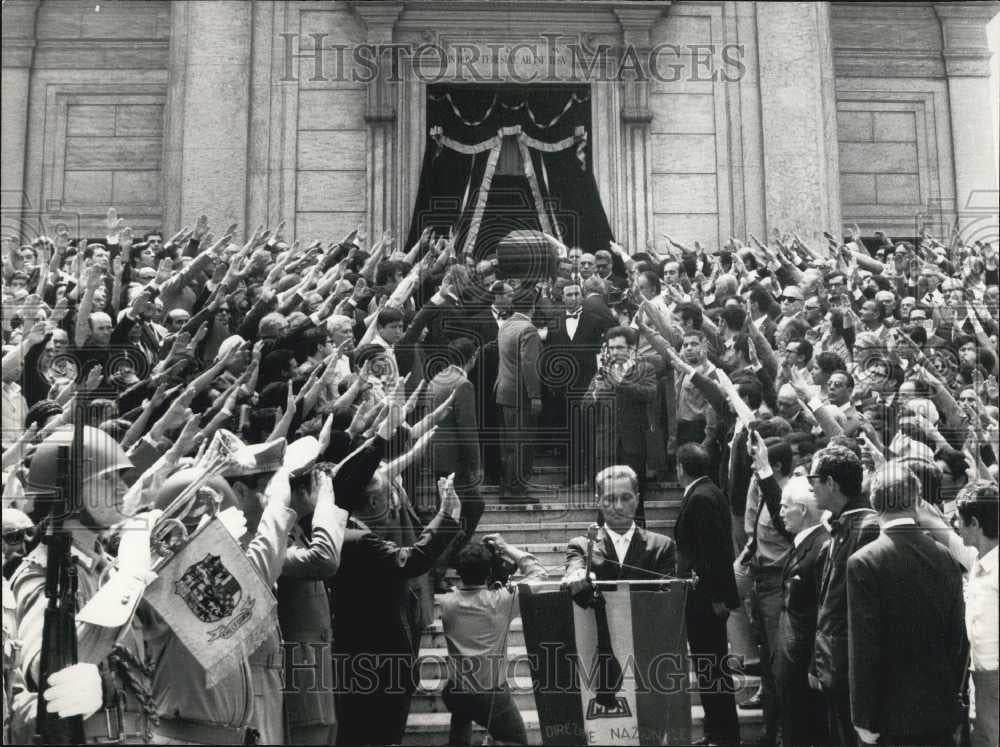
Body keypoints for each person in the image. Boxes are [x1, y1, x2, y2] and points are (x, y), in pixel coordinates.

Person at [332, 472, 462, 746]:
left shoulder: (341, 533)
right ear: (373, 504)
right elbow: (412, 560)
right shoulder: (359, 541)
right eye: (387, 496)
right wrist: (447, 516)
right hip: (378, 664)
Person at [847, 462, 966, 746]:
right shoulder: (945, 556)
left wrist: (863, 716)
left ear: (875, 505)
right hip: (939, 709)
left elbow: (864, 646)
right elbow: (957, 638)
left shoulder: (864, 561)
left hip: (889, 716)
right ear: (916, 502)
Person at [438, 534, 547, 746]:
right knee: (517, 742)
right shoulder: (501, 601)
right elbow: (539, 574)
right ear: (489, 572)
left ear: (458, 572)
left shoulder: (447, 602)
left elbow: (468, 594)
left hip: (456, 690)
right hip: (489, 695)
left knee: (459, 730)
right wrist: (504, 547)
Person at [808, 444, 880, 746]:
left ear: (831, 484)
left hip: (854, 669)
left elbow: (863, 609)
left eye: (815, 480)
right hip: (833, 664)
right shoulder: (841, 525)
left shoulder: (869, 528)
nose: (810, 488)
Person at [674, 444, 740, 747]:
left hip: (705, 599)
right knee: (710, 666)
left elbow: (714, 552)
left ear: (681, 468)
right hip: (705, 595)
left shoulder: (700, 498)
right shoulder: (710, 491)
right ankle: (718, 731)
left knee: (711, 667)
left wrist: (716, 598)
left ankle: (722, 735)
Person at [775, 475, 830, 747]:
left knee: (805, 730)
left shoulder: (821, 547)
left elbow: (823, 611)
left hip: (805, 664)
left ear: (803, 510)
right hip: (792, 659)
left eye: (786, 506)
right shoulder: (806, 542)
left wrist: (813, 664)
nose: (780, 512)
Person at [562, 465, 676, 589]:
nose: (619, 507)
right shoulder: (581, 546)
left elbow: (668, 600)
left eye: (626, 498)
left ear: (637, 500)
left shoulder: (662, 546)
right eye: (610, 499)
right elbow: (574, 571)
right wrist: (577, 576)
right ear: (598, 501)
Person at [587, 327, 658, 522]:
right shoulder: (602, 372)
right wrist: (595, 394)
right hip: (606, 445)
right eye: (612, 348)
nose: (615, 352)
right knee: (604, 498)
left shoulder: (645, 369)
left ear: (631, 349)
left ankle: (638, 544)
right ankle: (605, 543)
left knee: (635, 499)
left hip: (633, 444)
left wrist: (621, 383)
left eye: (619, 347)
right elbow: (585, 404)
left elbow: (650, 394)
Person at [954, 481, 999, 747]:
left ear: (973, 523)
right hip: (980, 680)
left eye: (959, 521)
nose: (956, 526)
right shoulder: (980, 562)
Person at [494, 290, 542, 502]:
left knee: (509, 443)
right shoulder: (528, 329)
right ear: (532, 307)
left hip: (504, 392)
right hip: (520, 395)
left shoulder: (505, 325)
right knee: (522, 442)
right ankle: (516, 489)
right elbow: (530, 366)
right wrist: (535, 395)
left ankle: (507, 485)